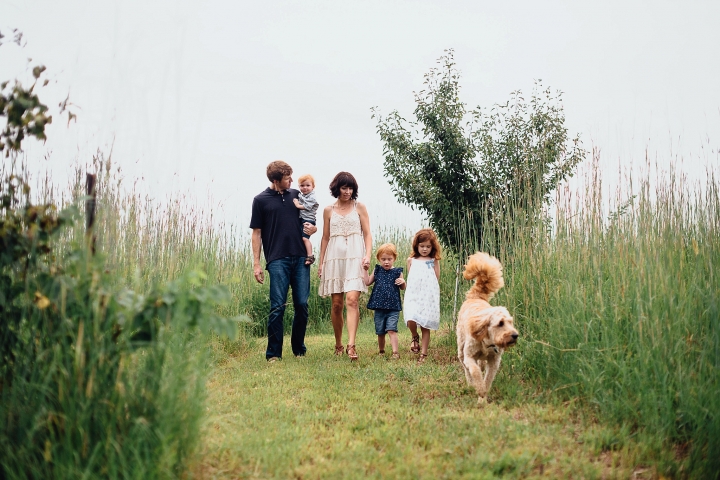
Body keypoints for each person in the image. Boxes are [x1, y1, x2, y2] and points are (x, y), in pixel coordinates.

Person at [250, 160, 317, 362]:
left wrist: (313, 229)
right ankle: (273, 354)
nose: (291, 181)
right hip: (277, 259)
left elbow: (309, 219)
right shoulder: (260, 200)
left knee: (302, 304)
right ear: (277, 180)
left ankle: (299, 350)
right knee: (277, 306)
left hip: (301, 258)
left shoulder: (297, 194)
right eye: (288, 178)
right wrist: (256, 263)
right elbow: (257, 233)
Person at [317, 171, 372, 361]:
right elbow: (325, 237)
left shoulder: (360, 207)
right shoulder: (328, 210)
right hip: (334, 258)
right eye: (344, 188)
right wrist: (321, 263)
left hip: (355, 257)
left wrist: (367, 255)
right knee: (337, 304)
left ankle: (351, 345)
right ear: (337, 188)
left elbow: (367, 234)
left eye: (350, 188)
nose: (347, 192)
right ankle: (338, 343)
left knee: (352, 300)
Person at [403, 228, 442, 365]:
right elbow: (411, 278)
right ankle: (414, 336)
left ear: (432, 247)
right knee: (411, 319)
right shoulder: (411, 260)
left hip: (428, 297)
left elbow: (436, 278)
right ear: (416, 246)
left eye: (428, 246)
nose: (425, 249)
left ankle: (424, 354)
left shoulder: (433, 260)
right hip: (414, 294)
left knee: (425, 325)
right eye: (422, 246)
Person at [362, 243, 405, 359]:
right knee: (380, 332)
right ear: (379, 259)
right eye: (383, 259)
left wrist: (403, 282)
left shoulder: (397, 272)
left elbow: (402, 287)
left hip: (393, 308)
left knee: (392, 329)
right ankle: (381, 351)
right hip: (379, 307)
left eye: (389, 259)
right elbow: (367, 282)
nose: (386, 262)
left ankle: (395, 353)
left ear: (394, 259)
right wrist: (365, 270)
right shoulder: (377, 270)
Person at [292, 174, 319, 265]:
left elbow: (305, 207)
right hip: (302, 219)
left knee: (305, 238)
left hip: (308, 220)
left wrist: (297, 204)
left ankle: (310, 256)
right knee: (300, 237)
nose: (305, 188)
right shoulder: (302, 195)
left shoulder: (312, 197)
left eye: (308, 185)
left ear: (313, 187)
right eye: (302, 186)